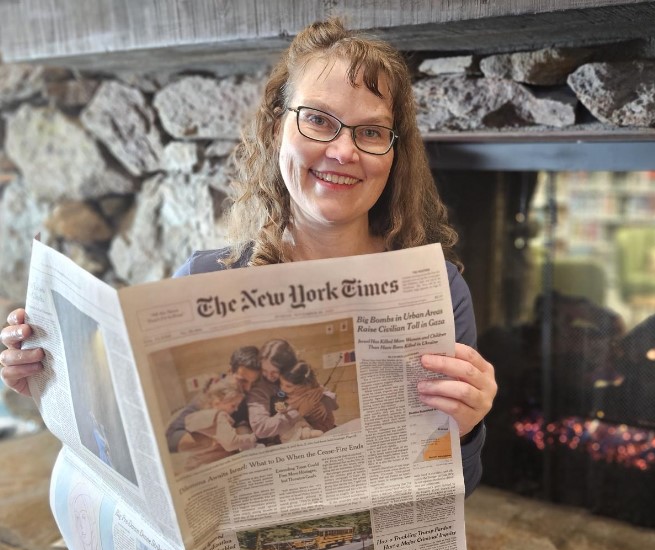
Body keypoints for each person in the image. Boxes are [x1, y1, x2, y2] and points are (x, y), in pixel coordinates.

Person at [0, 17, 496, 496]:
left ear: (393, 152)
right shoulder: (201, 277)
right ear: (278, 128)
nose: (344, 151)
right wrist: (50, 382)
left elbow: (458, 489)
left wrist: (468, 426)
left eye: (370, 132)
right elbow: (138, 451)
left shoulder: (438, 290)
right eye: (318, 120)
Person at [173, 376, 261, 471]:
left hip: (195, 466)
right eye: (233, 405)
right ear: (217, 402)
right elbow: (231, 443)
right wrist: (254, 437)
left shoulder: (199, 416)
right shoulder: (218, 416)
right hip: (210, 468)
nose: (236, 409)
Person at [278, 360, 338, 432]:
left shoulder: (314, 392)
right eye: (281, 384)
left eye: (289, 386)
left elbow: (332, 398)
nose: (283, 388)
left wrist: (325, 404)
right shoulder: (288, 393)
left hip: (320, 427)